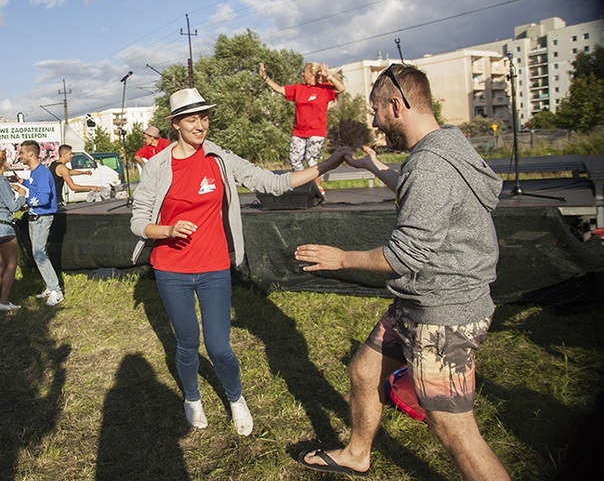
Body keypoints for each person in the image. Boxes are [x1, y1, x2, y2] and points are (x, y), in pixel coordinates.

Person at [295, 64, 510, 480]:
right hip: (417, 301)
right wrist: (375, 168)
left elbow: (404, 253)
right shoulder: (445, 145)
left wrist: (342, 258)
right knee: (363, 370)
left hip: (443, 312)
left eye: (376, 110)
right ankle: (358, 453)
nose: (374, 120)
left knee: (454, 430)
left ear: (396, 104)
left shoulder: (430, 166)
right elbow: (421, 192)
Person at [130, 88, 348, 435]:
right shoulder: (158, 165)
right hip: (171, 269)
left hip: (214, 266)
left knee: (218, 346)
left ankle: (235, 398)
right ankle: (192, 397)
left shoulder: (219, 158)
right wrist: (167, 229)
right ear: (175, 124)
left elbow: (273, 183)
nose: (200, 125)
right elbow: (137, 220)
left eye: (204, 117)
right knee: (187, 342)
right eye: (191, 119)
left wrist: (327, 164)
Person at [259, 61, 345, 195]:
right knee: (294, 160)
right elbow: (280, 89)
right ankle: (304, 186)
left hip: (316, 131)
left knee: (311, 160)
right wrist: (265, 78)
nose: (302, 74)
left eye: (304, 71)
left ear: (311, 73)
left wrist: (329, 76)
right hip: (299, 131)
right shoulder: (299, 88)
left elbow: (341, 88)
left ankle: (318, 189)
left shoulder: (324, 89)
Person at [16, 140, 63, 307]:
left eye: (21, 152)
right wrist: (22, 183)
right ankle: (51, 287)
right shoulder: (35, 173)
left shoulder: (41, 173)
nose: (19, 156)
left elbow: (43, 198)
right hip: (35, 219)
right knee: (38, 255)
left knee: (40, 254)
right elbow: (36, 188)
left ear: (31, 153)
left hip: (42, 218)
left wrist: (25, 198)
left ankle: (56, 291)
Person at [0, 150, 27, 311]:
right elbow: (13, 206)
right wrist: (22, 195)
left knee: (1, 264)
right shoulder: (2, 181)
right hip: (4, 227)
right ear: (4, 164)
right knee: (11, 264)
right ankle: (3, 301)